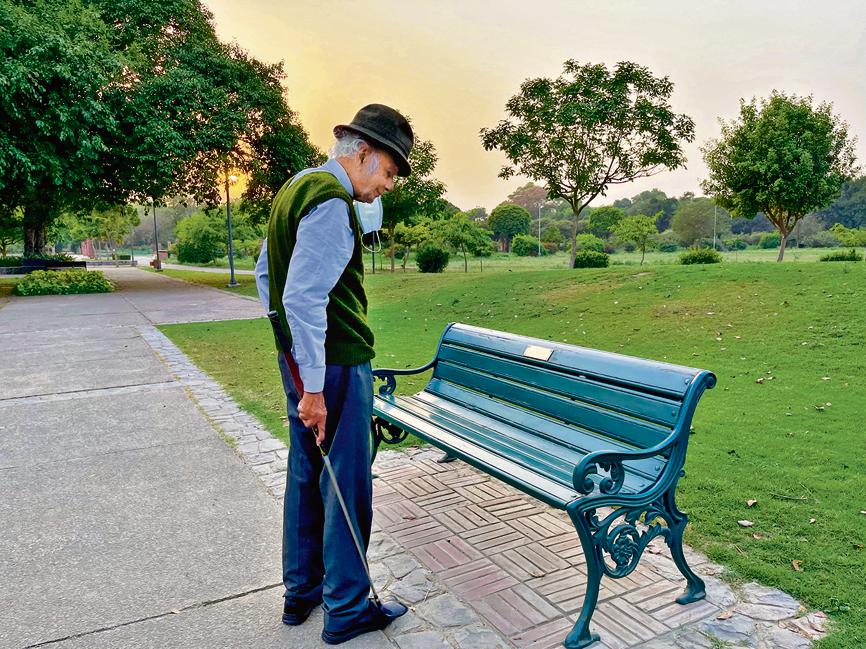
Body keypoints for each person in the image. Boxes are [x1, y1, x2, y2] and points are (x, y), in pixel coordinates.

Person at [254, 104, 413, 645]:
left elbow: (265, 276)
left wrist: (293, 357)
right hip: (336, 364)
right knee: (346, 479)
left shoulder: (297, 187)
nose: (385, 187)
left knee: (306, 472)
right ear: (363, 153)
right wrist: (316, 386)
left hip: (302, 360)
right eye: (388, 172)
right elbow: (303, 296)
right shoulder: (330, 202)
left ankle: (302, 594)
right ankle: (346, 607)